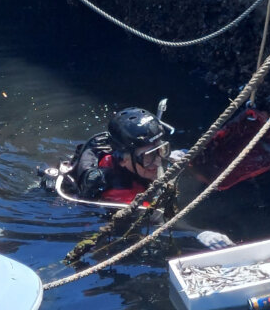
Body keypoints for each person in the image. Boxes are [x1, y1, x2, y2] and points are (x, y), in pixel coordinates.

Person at [62, 106, 232, 249]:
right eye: (149, 156)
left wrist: (170, 155)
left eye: (161, 149)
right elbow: (161, 221)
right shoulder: (123, 195)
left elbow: (154, 158)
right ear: (122, 160)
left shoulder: (136, 162)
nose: (158, 161)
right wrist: (198, 234)